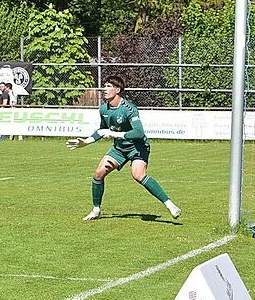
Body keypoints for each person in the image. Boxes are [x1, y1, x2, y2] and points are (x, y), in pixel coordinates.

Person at [67, 75, 181, 221]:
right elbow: (102, 130)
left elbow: (139, 133)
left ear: (118, 90)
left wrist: (114, 134)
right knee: (98, 173)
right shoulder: (103, 109)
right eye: (105, 85)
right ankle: (96, 210)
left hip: (138, 147)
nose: (104, 89)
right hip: (119, 149)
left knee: (138, 175)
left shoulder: (129, 109)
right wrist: (87, 142)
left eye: (109, 86)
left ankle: (170, 205)